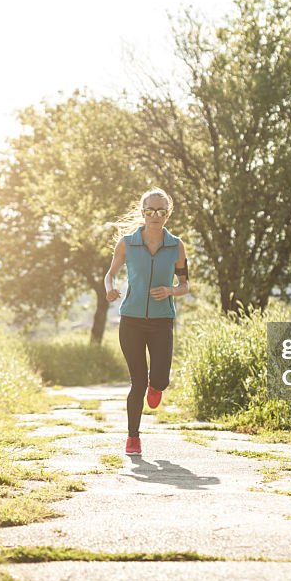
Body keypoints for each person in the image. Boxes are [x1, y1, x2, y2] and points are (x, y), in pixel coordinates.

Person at [104, 188, 189, 455]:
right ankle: (133, 438)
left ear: (168, 214)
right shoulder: (127, 243)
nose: (155, 215)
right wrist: (110, 289)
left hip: (162, 320)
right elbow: (110, 275)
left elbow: (184, 284)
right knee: (137, 381)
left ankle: (157, 386)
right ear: (143, 213)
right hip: (131, 320)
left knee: (160, 379)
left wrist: (170, 291)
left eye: (161, 211)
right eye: (150, 211)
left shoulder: (176, 246)